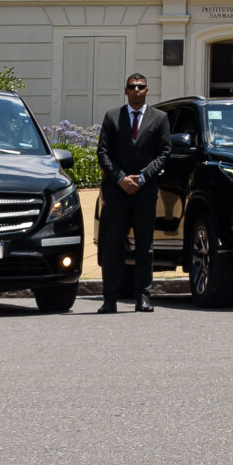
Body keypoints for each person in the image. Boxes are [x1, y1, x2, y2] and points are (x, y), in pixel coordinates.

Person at [98, 74, 167, 313]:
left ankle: (143, 296)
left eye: (141, 87)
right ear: (125, 91)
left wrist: (144, 176)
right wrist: (120, 178)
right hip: (117, 192)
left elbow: (164, 152)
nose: (136, 90)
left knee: (144, 246)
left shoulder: (160, 118)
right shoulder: (112, 117)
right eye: (132, 87)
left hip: (144, 192)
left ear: (147, 91)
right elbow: (103, 153)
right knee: (113, 245)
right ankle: (110, 298)